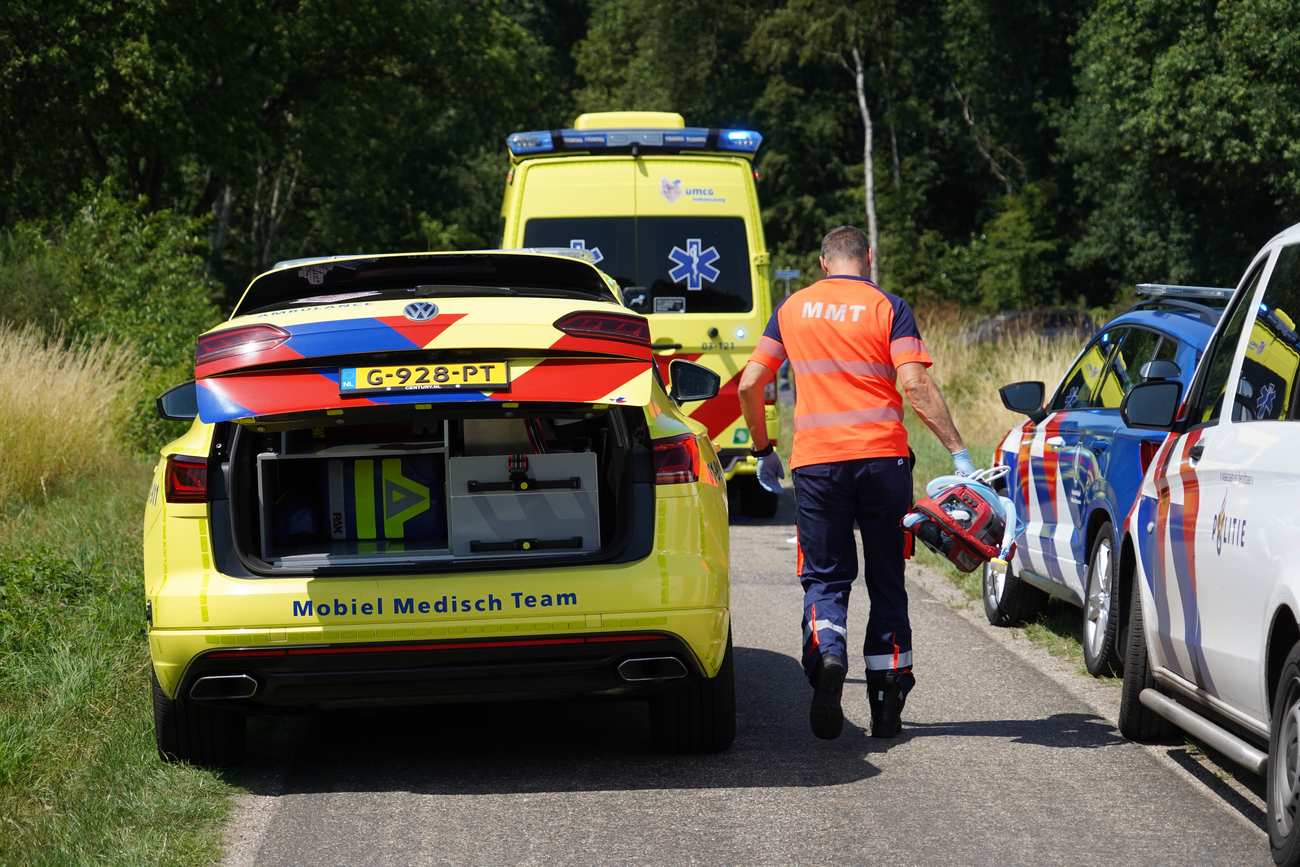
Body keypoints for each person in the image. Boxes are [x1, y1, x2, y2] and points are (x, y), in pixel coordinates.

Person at [737, 225, 972, 740]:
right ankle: (887, 706)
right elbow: (914, 383)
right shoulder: (889, 306)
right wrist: (959, 451)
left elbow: (751, 381)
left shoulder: (792, 308)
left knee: (825, 576)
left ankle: (828, 653)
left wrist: (762, 448)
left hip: (817, 464)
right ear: (867, 257)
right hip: (883, 463)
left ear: (823, 263)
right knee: (887, 577)